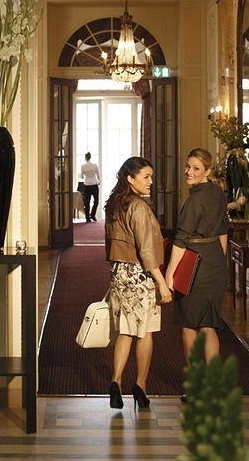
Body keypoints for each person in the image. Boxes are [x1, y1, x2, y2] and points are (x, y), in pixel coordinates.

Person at [104, 156, 173, 409]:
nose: (151, 181)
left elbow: (109, 244)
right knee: (145, 332)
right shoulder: (139, 207)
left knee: (125, 331)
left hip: (119, 273)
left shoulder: (114, 204)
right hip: (140, 275)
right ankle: (140, 385)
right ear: (130, 179)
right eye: (146, 176)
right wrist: (162, 283)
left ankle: (115, 381)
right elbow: (146, 250)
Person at [165, 148, 230, 372]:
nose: (188, 172)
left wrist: (170, 274)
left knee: (189, 325)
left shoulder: (194, 201)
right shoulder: (219, 194)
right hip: (215, 262)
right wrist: (220, 263)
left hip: (194, 265)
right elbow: (223, 230)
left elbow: (180, 241)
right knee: (209, 325)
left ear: (207, 171)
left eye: (195, 168)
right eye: (187, 166)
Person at [79, 152, 100, 222]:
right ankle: (93, 215)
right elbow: (98, 175)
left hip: (87, 185)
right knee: (96, 201)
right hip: (94, 184)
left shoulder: (83, 166)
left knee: (87, 202)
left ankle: (87, 218)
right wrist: (99, 181)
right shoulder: (95, 165)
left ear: (85, 158)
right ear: (90, 157)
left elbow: (82, 177)